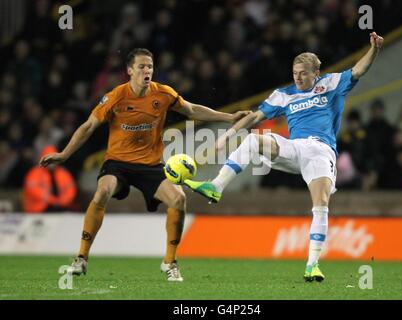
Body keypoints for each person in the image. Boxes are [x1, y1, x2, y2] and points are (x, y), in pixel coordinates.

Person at [185, 32, 384, 282]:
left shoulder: (332, 84)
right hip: (295, 147)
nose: (298, 77)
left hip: (321, 151)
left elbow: (358, 70)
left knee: (320, 206)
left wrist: (374, 49)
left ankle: (312, 265)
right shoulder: (284, 94)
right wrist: (227, 135)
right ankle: (215, 186)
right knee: (253, 140)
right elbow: (255, 117)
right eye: (294, 72)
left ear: (315, 72)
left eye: (303, 73)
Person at [39, 48, 250, 281]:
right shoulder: (116, 96)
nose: (147, 70)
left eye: (150, 66)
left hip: (150, 166)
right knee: (102, 192)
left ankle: (170, 262)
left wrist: (229, 117)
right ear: (129, 71)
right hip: (117, 163)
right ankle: (81, 258)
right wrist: (65, 154)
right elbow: (89, 126)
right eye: (141, 66)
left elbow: (191, 110)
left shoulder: (163, 94)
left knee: (179, 199)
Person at [24, 145, 77, 213]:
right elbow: (34, 191)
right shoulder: (35, 173)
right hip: (39, 210)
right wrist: (53, 200)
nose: (51, 163)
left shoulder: (63, 173)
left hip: (62, 208)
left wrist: (63, 201)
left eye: (54, 160)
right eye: (49, 160)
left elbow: (71, 189)